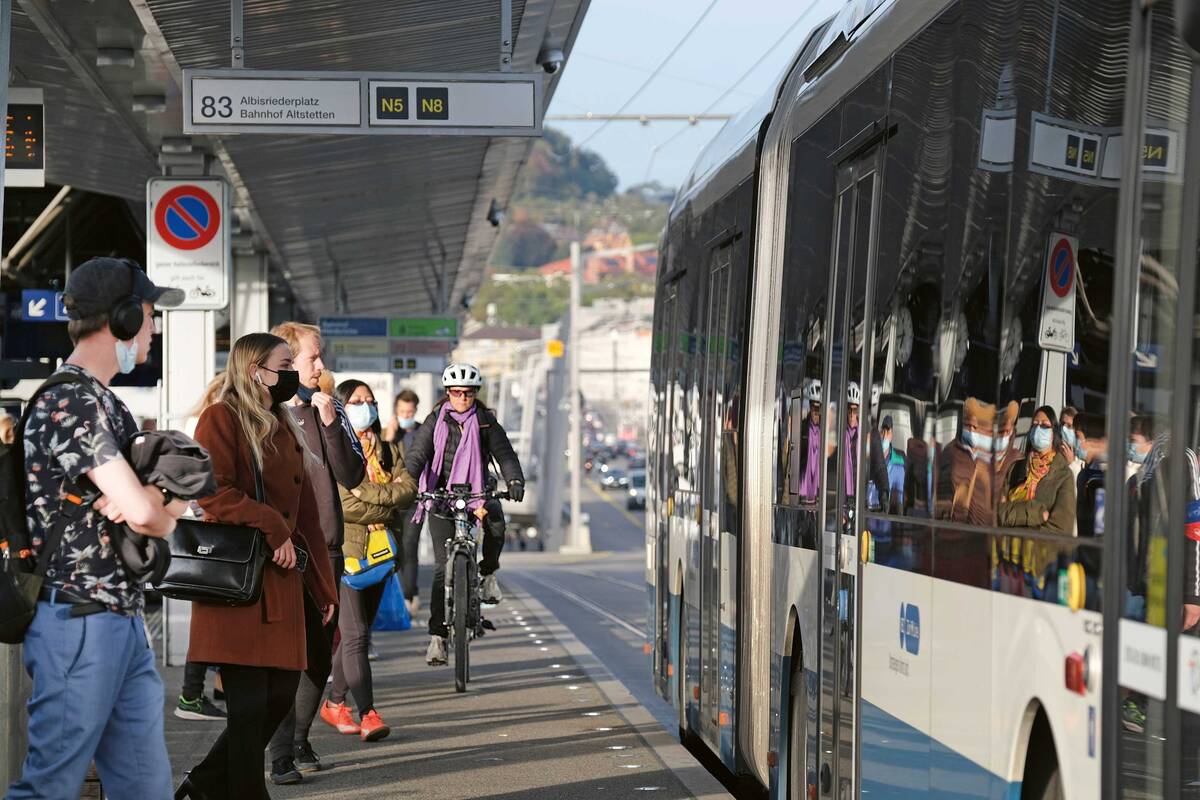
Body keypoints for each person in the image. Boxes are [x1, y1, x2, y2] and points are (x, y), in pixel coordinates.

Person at [7, 257, 188, 799]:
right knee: (50, 786)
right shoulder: (72, 402)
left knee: (144, 786)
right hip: (78, 620)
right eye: (151, 316)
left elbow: (166, 499)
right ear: (125, 318)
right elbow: (148, 514)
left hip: (119, 618)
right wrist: (158, 500)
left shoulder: (106, 402)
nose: (154, 329)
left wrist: (159, 499)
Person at [177, 333, 338, 800]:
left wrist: (323, 588)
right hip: (238, 584)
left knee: (278, 699)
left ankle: (202, 785)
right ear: (255, 370)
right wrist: (271, 527)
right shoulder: (221, 418)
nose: (291, 373)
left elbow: (305, 512)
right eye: (283, 364)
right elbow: (209, 489)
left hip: (285, 585)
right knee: (249, 710)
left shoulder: (281, 420)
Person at [264, 322, 365, 782]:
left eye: (319, 358)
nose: (321, 367)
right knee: (288, 654)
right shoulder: (269, 413)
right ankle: (279, 753)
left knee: (322, 655)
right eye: (311, 359)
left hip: (329, 548)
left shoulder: (331, 410)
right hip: (285, 551)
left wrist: (330, 424)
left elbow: (352, 474)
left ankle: (300, 736)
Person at [405, 363, 525, 667]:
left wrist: (514, 480)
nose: (462, 398)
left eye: (468, 393)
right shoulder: (435, 420)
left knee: (496, 521)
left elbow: (505, 455)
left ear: (476, 394)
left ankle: (487, 573)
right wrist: (408, 480)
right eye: (456, 393)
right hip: (442, 495)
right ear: (448, 393)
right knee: (442, 568)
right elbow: (418, 453)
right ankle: (438, 638)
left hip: (477, 493)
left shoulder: (485, 422)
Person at [321, 380, 416, 741]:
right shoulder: (336, 450)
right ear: (343, 407)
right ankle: (369, 714)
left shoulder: (390, 451)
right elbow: (346, 506)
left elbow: (408, 492)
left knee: (356, 636)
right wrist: (383, 498)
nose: (366, 407)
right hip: (347, 555)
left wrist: (366, 490)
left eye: (371, 401)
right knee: (357, 634)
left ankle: (334, 703)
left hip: (382, 554)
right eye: (358, 401)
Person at [176, 373, 230, 723]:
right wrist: (205, 507)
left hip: (205, 530)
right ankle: (191, 694)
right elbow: (198, 484)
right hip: (210, 533)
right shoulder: (213, 423)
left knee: (216, 613)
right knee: (212, 615)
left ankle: (213, 688)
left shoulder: (199, 421)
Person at [997, 406, 1077, 599]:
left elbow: (1060, 529)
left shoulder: (1063, 475)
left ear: (1054, 432)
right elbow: (998, 514)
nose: (1038, 429)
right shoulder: (1016, 469)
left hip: (1041, 572)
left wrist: (1016, 524)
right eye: (1035, 425)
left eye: (1045, 425)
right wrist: (1035, 513)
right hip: (1007, 565)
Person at [386, 389, 424, 610]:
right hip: (392, 498)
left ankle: (409, 594)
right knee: (394, 547)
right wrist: (389, 436)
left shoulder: (422, 433)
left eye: (409, 411)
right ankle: (398, 593)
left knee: (410, 545)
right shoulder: (388, 433)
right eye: (402, 411)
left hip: (416, 498)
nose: (406, 414)